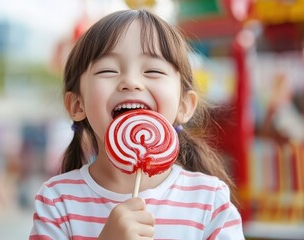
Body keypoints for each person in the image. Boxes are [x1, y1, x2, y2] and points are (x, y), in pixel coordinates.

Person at [30, 9, 244, 239]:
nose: (130, 82)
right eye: (107, 70)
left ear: (185, 105)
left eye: (152, 70)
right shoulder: (56, 201)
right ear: (77, 105)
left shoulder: (210, 201)